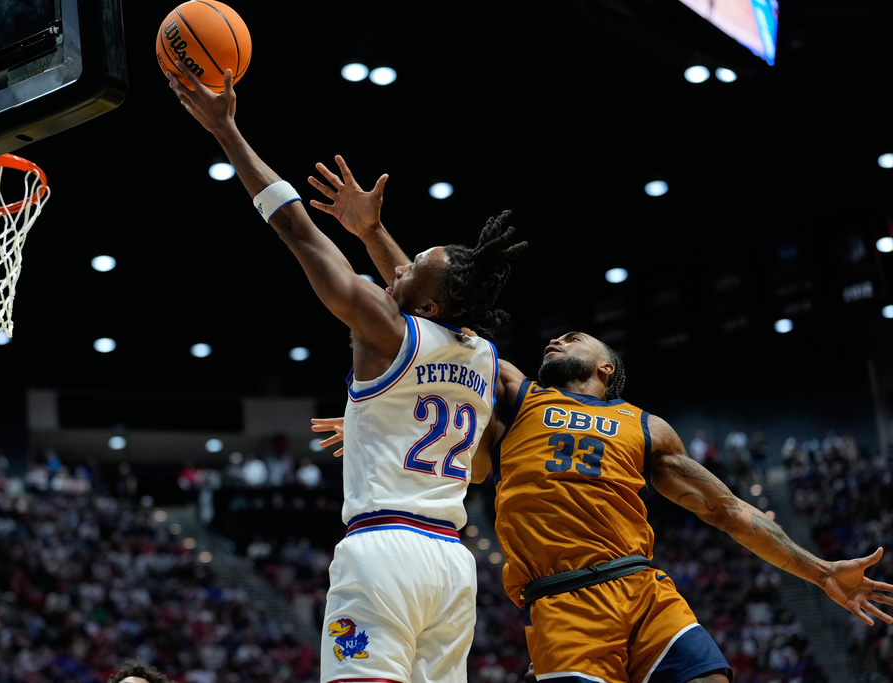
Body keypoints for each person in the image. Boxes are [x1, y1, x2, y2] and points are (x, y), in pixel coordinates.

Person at [306, 159, 893, 683]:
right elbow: (434, 316)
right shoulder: (516, 394)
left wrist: (819, 573)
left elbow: (728, 510)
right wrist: (384, 405)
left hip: (643, 589)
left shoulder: (648, 428)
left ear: (606, 369)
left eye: (575, 337)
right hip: (563, 603)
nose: (558, 337)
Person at [168, 65, 526, 683]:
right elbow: (483, 467)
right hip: (451, 563)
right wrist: (376, 421)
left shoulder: (382, 327)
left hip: (383, 551)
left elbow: (298, 231)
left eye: (415, 265)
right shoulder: (484, 359)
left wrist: (227, 132)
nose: (402, 265)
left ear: (427, 302)